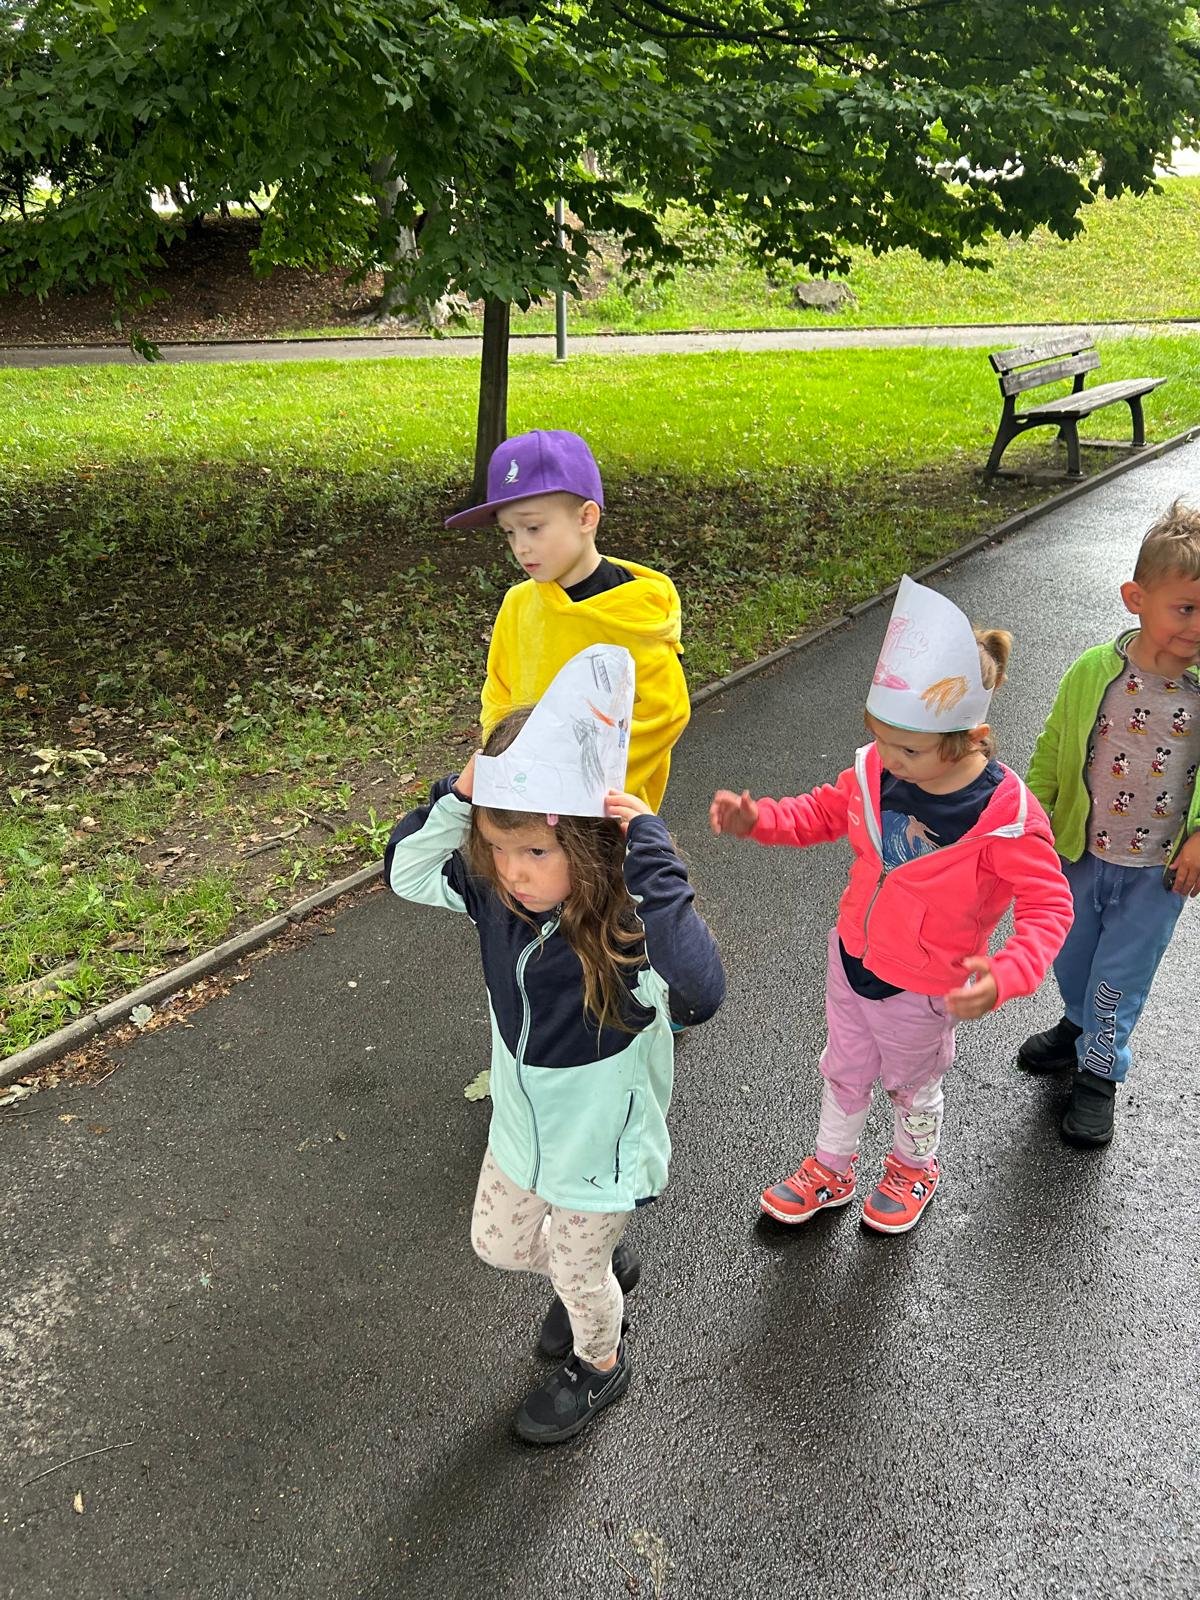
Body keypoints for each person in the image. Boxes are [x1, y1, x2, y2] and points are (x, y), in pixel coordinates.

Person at [385, 649, 725, 1445]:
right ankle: (599, 1271)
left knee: (575, 1274)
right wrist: (456, 797)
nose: (513, 873)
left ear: (590, 843)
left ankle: (599, 1363)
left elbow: (701, 992)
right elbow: (405, 873)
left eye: (535, 852)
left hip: (600, 1150)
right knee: (498, 1244)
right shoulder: (496, 899)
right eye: (496, 848)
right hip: (522, 1127)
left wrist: (653, 859)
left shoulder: (628, 928)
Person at [710, 576, 1073, 1235]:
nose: (890, 761)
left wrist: (1007, 973)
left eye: (909, 749)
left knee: (913, 1085)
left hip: (926, 987)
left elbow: (1048, 909)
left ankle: (914, 1167)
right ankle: (832, 1167)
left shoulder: (1006, 818)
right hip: (852, 957)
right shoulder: (876, 770)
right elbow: (821, 811)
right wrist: (760, 820)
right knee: (843, 1069)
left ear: (970, 738)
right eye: (881, 740)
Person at [1018, 500, 1200, 1146]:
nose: (1198, 626)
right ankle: (1078, 1023)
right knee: (1073, 958)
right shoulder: (1094, 672)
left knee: (1118, 978)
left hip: (1156, 873)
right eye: (1186, 608)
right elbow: (1053, 746)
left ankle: (1099, 1072)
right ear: (1136, 599)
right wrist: (1031, 817)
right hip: (1080, 855)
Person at [445, 428, 690, 811]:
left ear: (586, 517)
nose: (521, 546)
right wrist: (506, 752)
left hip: (600, 816)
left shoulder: (633, 609)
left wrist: (580, 784)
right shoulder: (518, 604)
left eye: (533, 527)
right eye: (509, 532)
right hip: (524, 799)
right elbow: (498, 689)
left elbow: (665, 712)